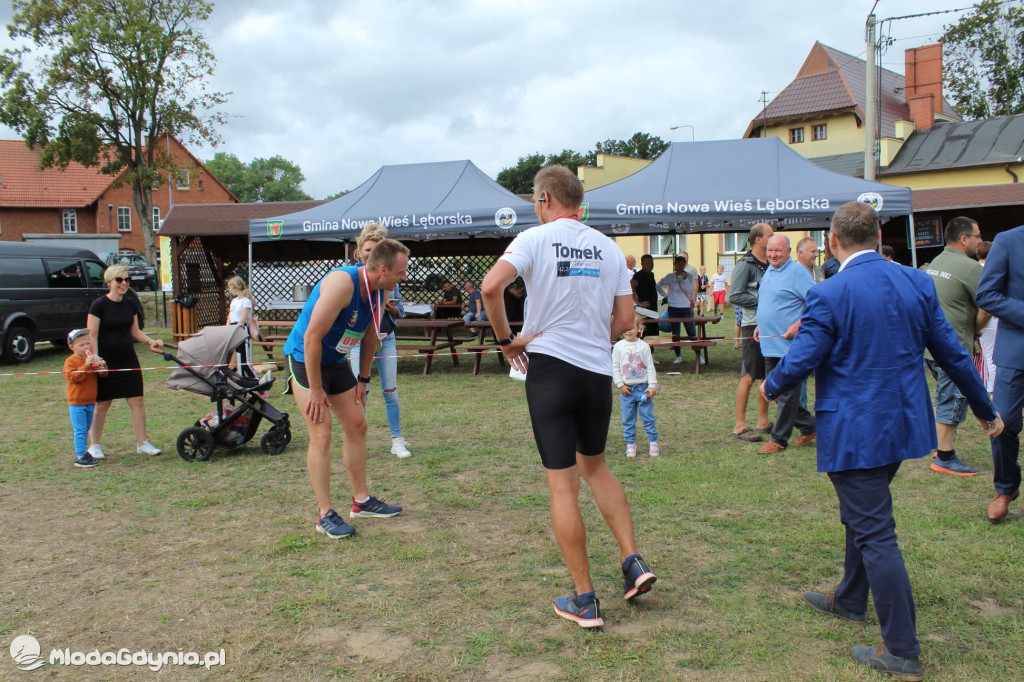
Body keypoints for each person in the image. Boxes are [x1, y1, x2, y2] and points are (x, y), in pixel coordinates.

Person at [760, 201, 1001, 681]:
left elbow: (804, 357)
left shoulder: (829, 293)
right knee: (865, 517)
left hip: (857, 430)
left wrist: (769, 386)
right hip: (900, 424)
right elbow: (952, 352)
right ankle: (850, 598)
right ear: (875, 235)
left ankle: (902, 649)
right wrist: (984, 405)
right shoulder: (915, 280)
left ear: (832, 241)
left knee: (874, 531)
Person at [480, 165, 656, 629]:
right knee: (596, 467)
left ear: (543, 200)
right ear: (577, 200)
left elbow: (490, 286)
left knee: (563, 485)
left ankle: (584, 598)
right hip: (597, 372)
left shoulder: (535, 240)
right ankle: (633, 560)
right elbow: (623, 319)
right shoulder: (608, 247)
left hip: (552, 371)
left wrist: (507, 340)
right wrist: (590, 334)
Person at [284, 238, 410, 539]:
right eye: (401, 271)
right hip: (305, 359)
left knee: (357, 424)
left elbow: (369, 336)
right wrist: (316, 389)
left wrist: (363, 380)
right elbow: (312, 337)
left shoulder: (381, 291)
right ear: (383, 269)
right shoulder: (342, 283)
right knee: (322, 432)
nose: (404, 277)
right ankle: (324, 514)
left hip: (336, 362)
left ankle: (361, 501)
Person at [922, 216, 990, 476]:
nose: (980, 241)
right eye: (978, 236)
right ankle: (945, 457)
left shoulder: (938, 261)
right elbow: (988, 305)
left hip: (931, 346)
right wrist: (977, 329)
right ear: (964, 239)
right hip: (952, 347)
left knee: (944, 395)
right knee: (952, 399)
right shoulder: (972, 268)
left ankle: (941, 446)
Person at [348, 224, 413, 459]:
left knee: (390, 391)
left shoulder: (390, 280)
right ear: (359, 252)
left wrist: (388, 307)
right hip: (357, 341)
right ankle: (359, 442)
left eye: (377, 249)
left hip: (385, 339)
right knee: (359, 391)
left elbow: (401, 312)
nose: (372, 254)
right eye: (368, 250)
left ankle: (397, 440)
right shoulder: (353, 280)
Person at [86, 264, 163, 459]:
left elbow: (134, 331)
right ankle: (94, 445)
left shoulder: (130, 304)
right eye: (119, 280)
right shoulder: (98, 305)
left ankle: (142, 443)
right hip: (106, 360)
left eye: (127, 280)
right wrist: (96, 359)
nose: (124, 283)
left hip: (128, 357)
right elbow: (92, 335)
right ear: (109, 282)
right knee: (103, 402)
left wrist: (150, 341)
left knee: (136, 399)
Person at [976, 224, 1024, 523]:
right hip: (1016, 350)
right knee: (1003, 420)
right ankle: (1005, 488)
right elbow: (987, 295)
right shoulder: (1008, 241)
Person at [753, 235, 815, 454]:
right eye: (770, 251)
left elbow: (817, 302)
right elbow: (770, 301)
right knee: (775, 392)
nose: (772, 255)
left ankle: (778, 440)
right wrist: (761, 324)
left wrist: (799, 324)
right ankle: (810, 426)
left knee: (787, 393)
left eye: (778, 251)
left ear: (789, 251)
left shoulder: (797, 272)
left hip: (791, 346)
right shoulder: (770, 270)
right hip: (770, 343)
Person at [729, 223, 773, 442]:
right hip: (751, 325)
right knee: (748, 375)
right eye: (770, 236)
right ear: (758, 239)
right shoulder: (745, 265)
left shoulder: (771, 264)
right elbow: (734, 296)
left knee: (766, 375)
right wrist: (763, 302)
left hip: (770, 327)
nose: (773, 240)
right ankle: (740, 425)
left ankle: (763, 421)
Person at [612, 316, 659, 458]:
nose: (629, 330)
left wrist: (652, 386)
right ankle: (630, 444)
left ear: (639, 329)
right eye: (626, 328)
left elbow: (650, 367)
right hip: (627, 390)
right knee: (628, 419)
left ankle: (653, 443)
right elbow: (615, 367)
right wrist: (620, 385)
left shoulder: (643, 346)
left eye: (632, 327)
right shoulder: (618, 347)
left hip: (643, 388)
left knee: (648, 417)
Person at [64, 328, 108, 468]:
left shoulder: (92, 358)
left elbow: (104, 374)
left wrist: (100, 366)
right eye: (81, 345)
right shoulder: (71, 361)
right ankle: (81, 455)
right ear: (72, 347)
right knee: (80, 429)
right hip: (77, 402)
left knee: (88, 427)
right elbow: (73, 377)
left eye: (87, 344)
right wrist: (86, 365)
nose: (86, 347)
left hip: (90, 400)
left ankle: (85, 452)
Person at [657, 254, 700, 366]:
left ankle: (698, 355)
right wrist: (666, 296)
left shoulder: (689, 276)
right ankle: (678, 355)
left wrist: (685, 280)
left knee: (691, 332)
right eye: (678, 264)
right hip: (673, 307)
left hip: (686, 307)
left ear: (685, 265)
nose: (680, 266)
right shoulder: (670, 277)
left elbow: (690, 290)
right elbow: (658, 285)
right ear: (675, 265)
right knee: (675, 332)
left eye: (682, 264)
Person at [976, 240, 997, 394]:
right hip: (990, 315)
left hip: (976, 315)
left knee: (984, 353)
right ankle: (992, 387)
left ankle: (988, 385)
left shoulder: (972, 268)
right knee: (991, 354)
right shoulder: (992, 270)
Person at [226, 275, 256, 378]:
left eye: (230, 287)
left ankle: (258, 383)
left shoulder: (246, 301)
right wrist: (227, 329)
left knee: (244, 360)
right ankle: (242, 382)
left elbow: (242, 321)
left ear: (236, 287)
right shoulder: (234, 301)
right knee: (236, 360)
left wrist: (235, 329)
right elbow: (230, 316)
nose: (229, 290)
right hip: (233, 330)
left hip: (241, 330)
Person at [631, 254, 660, 338]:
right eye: (647, 262)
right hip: (644, 311)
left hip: (653, 308)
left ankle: (651, 350)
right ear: (642, 264)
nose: (650, 264)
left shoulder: (651, 274)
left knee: (654, 335)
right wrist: (638, 302)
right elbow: (630, 286)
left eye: (651, 262)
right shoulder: (639, 275)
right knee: (645, 334)